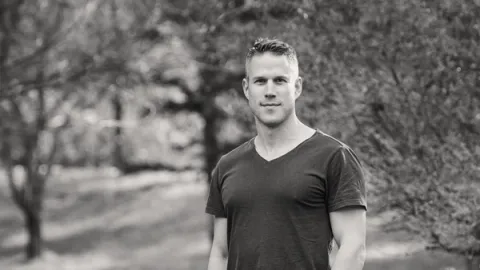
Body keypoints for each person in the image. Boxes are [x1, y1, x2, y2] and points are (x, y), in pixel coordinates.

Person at [205, 38, 367, 270]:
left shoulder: (334, 156)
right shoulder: (227, 166)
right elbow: (220, 254)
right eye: (260, 81)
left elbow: (353, 247)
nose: (270, 91)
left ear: (297, 86)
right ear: (246, 88)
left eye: (280, 80)